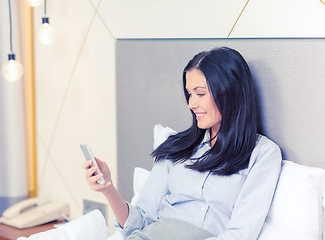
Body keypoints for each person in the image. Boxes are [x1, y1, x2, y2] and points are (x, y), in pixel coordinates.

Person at [83, 47, 282, 240]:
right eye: (189, 94)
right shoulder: (177, 146)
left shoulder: (262, 154)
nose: (191, 104)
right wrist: (108, 188)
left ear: (229, 92)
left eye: (200, 93)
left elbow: (240, 234)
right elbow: (142, 221)